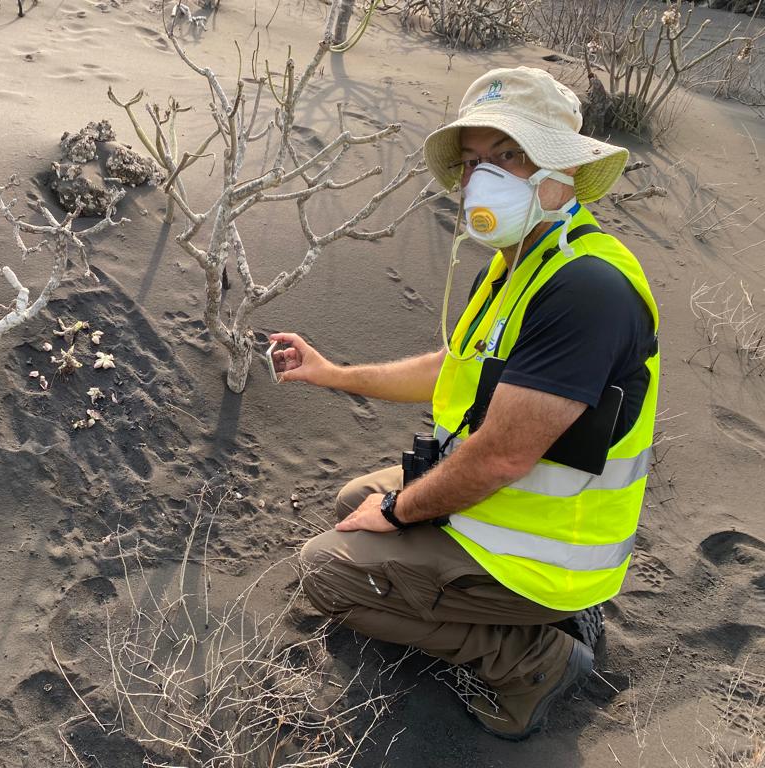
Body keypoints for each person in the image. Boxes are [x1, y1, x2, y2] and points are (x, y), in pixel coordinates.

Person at [270, 66, 659, 741]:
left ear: (561, 169)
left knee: (326, 572)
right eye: (476, 161)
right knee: (347, 505)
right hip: (511, 506)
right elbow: (454, 370)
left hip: (551, 551)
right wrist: (333, 374)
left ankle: (537, 658)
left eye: (510, 155)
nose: (485, 178)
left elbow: (504, 454)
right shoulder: (517, 264)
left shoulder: (586, 288)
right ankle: (501, 614)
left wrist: (398, 509)